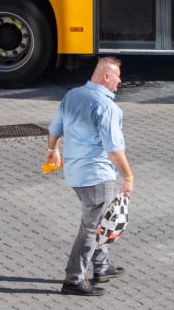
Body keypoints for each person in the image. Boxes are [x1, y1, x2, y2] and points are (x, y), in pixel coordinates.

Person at [46, 57, 133, 297]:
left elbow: (55, 129)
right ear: (106, 77)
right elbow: (114, 150)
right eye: (117, 76)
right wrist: (129, 176)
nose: (120, 80)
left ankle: (102, 266)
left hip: (75, 174)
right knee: (91, 227)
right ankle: (73, 279)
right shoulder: (107, 108)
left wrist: (52, 150)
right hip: (97, 176)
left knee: (98, 219)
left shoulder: (72, 95)